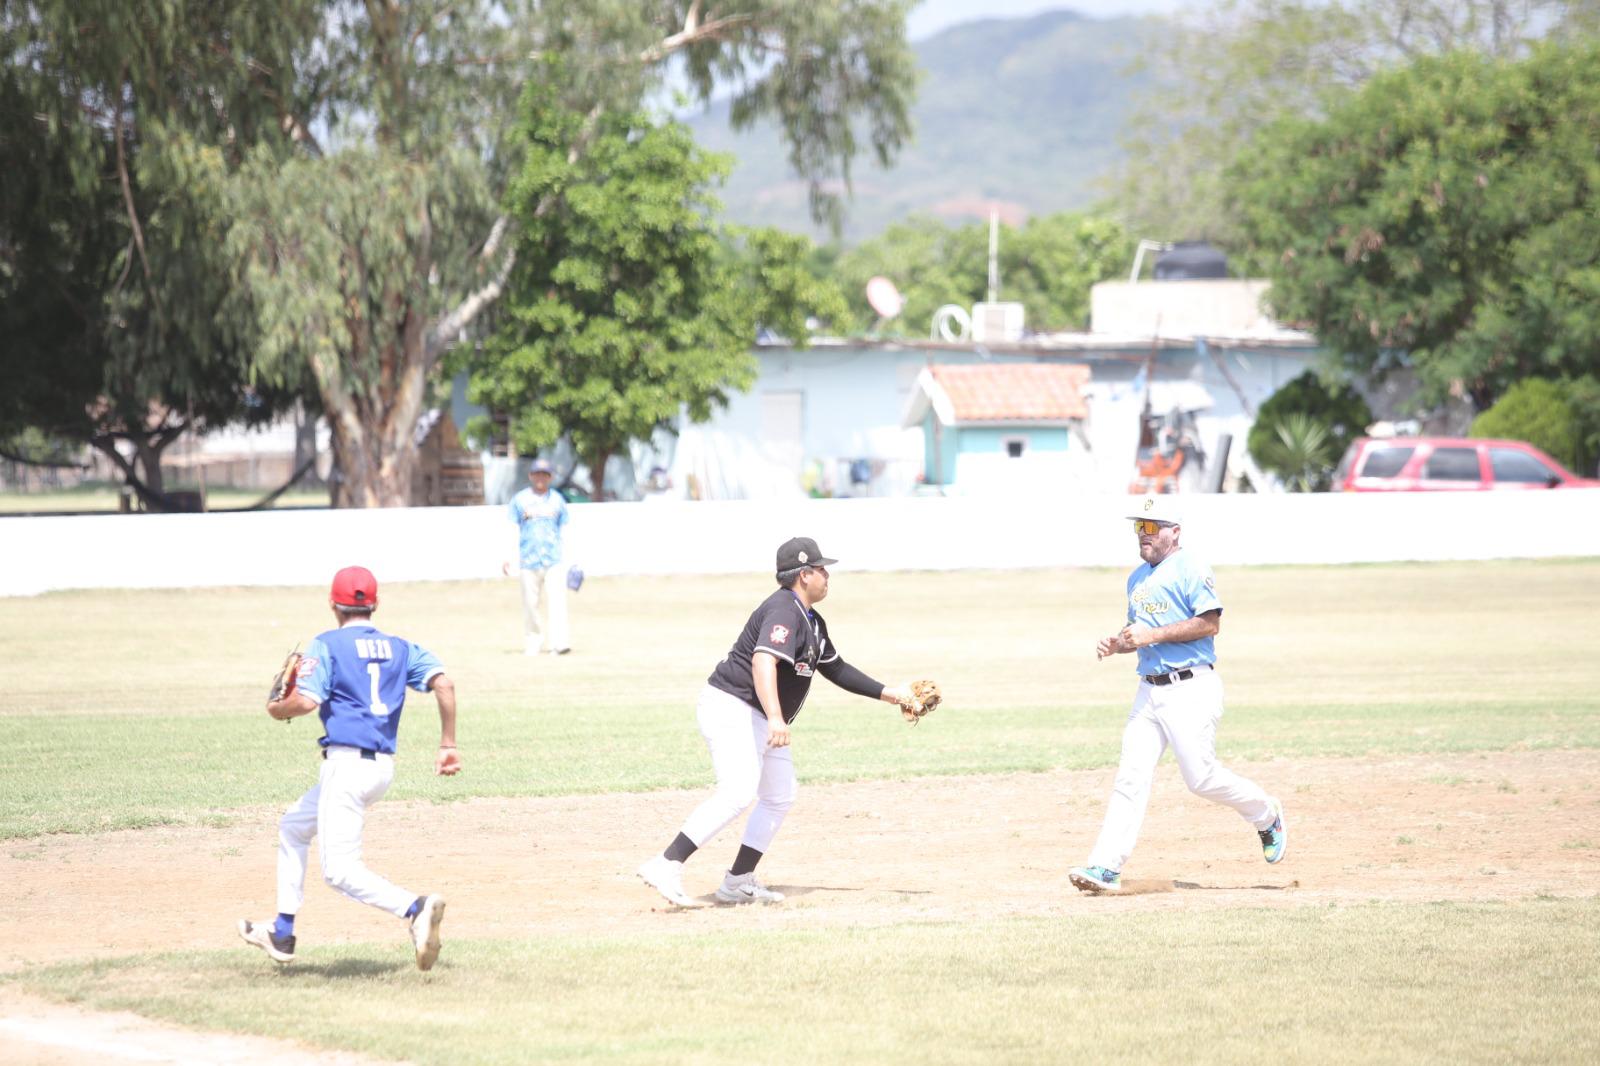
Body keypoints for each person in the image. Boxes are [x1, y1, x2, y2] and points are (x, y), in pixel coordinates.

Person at [638, 537, 920, 906]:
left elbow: (835, 668)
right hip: (733, 706)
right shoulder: (784, 610)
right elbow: (763, 661)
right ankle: (666, 863)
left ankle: (738, 880)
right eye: (820, 569)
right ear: (803, 575)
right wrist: (775, 717)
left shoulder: (812, 621)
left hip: (755, 713)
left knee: (779, 795)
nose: (826, 575)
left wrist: (891, 694)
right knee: (738, 792)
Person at [238, 565, 461, 969]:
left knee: (339, 871)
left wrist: (276, 710)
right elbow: (443, 683)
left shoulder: (326, 645)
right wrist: (448, 744)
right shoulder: (401, 647)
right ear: (374, 604)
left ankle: (414, 908)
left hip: (346, 765)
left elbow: (304, 702)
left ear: (332, 604)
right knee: (293, 825)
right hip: (379, 769)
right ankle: (282, 932)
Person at [1068, 497, 1285, 895]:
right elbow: (1140, 629)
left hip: (1192, 688)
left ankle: (1265, 814)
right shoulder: (1136, 578)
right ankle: (1105, 866)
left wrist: (1151, 635)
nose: (1143, 535)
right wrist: (1120, 643)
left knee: (1201, 779)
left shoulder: (1192, 567)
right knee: (1130, 778)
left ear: (1174, 531)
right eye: (1139, 528)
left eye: (1152, 527)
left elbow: (1210, 624)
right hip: (1148, 690)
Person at [503, 458, 571, 655]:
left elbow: (565, 529)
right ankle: (533, 641)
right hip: (528, 559)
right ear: (531, 476)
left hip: (553, 558)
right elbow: (512, 528)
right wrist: (508, 556)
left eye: (545, 474)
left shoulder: (557, 500)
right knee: (530, 605)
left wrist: (571, 558)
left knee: (557, 602)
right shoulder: (520, 500)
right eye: (537, 474)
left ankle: (559, 643)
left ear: (550, 477)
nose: (540, 478)